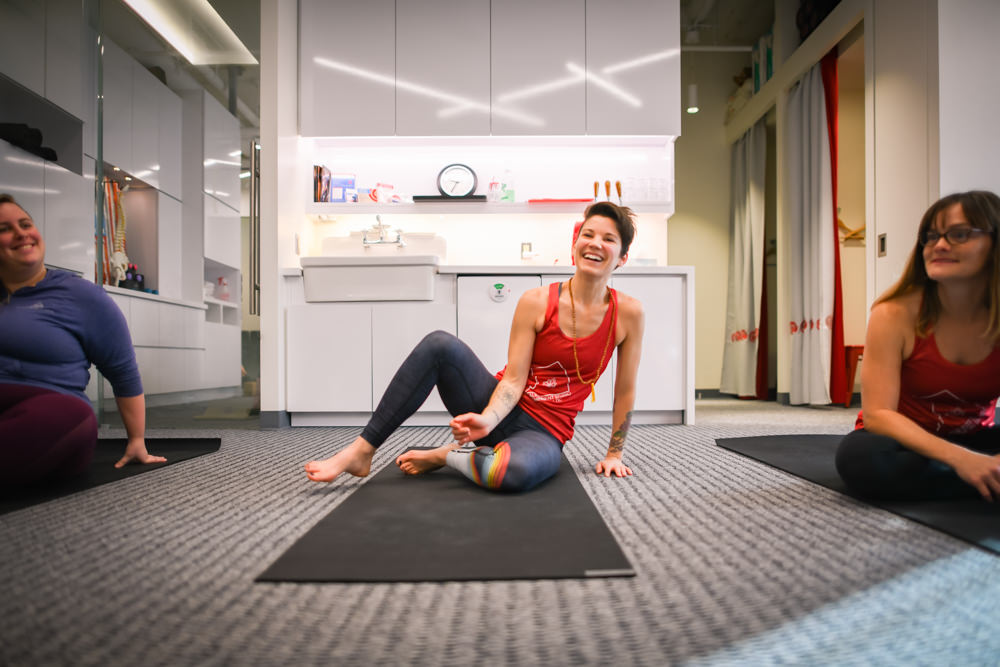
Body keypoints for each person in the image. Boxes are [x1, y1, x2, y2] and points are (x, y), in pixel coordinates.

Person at [305, 201, 645, 492]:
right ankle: (362, 450)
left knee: (514, 474)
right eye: (588, 234)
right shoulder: (537, 301)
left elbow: (625, 391)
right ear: (575, 243)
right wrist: (486, 419)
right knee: (440, 344)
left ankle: (445, 456)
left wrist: (614, 453)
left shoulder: (628, 314)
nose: (595, 243)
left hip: (544, 432)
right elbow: (513, 380)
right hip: (497, 405)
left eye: (608, 239)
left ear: (623, 257)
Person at [836, 190, 1000, 502]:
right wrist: (962, 460)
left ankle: (972, 478)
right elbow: (878, 414)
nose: (939, 245)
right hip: (902, 442)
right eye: (931, 236)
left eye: (959, 234)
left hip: (976, 437)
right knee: (861, 460)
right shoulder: (893, 314)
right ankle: (974, 480)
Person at [0, 193, 164, 487]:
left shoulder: (80, 295)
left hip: (46, 408)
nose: (21, 233)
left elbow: (122, 370)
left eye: (25, 224)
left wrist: (136, 440)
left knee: (72, 417)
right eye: (4, 229)